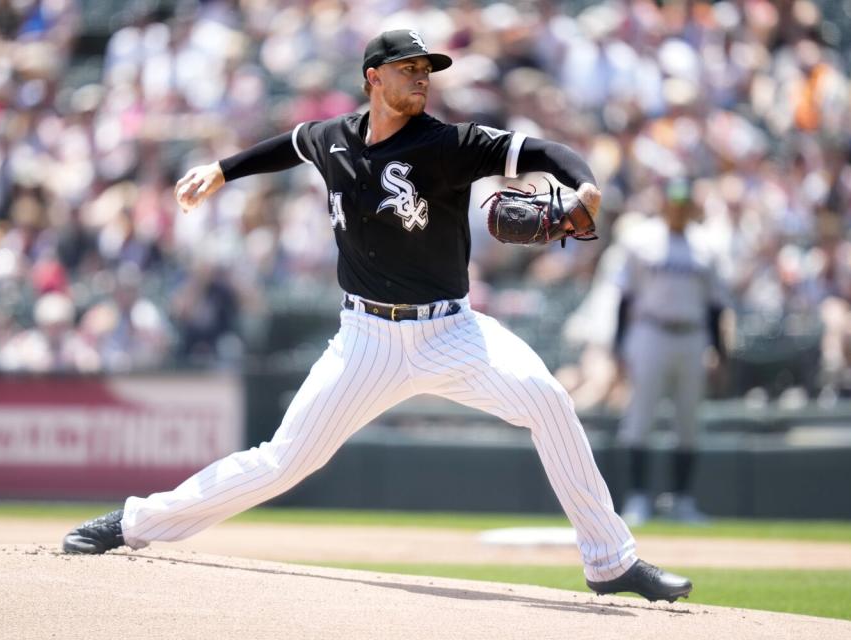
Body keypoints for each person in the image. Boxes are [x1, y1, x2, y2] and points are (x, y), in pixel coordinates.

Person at [62, 30, 692, 603]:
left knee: (550, 402)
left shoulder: (450, 143)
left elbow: (545, 150)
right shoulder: (332, 139)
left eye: (428, 69)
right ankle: (134, 522)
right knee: (284, 461)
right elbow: (290, 145)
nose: (422, 78)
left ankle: (610, 561)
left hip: (452, 332)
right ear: (374, 77)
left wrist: (584, 189)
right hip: (363, 340)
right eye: (408, 68)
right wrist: (223, 170)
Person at [613, 177, 726, 526]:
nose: (677, 209)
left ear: (692, 206)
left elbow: (715, 306)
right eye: (672, 202)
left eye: (683, 203)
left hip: (691, 335)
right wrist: (618, 346)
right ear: (664, 203)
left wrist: (720, 351)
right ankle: (638, 498)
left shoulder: (707, 245)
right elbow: (625, 297)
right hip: (651, 331)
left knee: (688, 421)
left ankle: (682, 500)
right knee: (640, 418)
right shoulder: (641, 239)